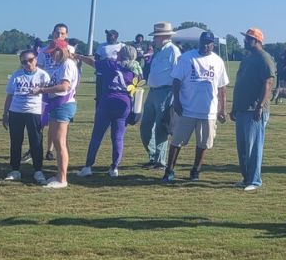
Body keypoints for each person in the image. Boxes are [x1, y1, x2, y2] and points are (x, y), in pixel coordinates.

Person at [163, 30, 227, 183]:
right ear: (199, 42)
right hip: (187, 108)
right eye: (203, 43)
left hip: (208, 111)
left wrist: (222, 108)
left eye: (209, 43)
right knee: (177, 141)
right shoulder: (186, 58)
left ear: (213, 45)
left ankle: (195, 170)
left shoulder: (218, 61)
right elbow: (176, 81)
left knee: (203, 143)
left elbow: (222, 88)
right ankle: (169, 170)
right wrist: (176, 101)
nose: (206, 46)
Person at [77, 44, 139, 178]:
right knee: (118, 138)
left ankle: (88, 166)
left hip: (107, 101)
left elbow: (92, 62)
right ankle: (114, 167)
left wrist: (78, 56)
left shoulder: (109, 64)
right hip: (124, 105)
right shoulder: (135, 71)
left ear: (121, 55)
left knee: (97, 136)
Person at [231, 27, 274, 192]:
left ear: (257, 41)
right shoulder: (247, 58)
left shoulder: (264, 58)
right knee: (242, 147)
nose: (245, 41)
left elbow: (268, 83)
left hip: (254, 109)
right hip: (242, 108)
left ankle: (255, 180)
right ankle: (246, 177)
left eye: (248, 39)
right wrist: (235, 107)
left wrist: (260, 106)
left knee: (254, 146)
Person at [3, 48, 51, 183]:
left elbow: (47, 96)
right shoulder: (16, 75)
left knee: (36, 141)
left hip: (35, 112)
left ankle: (38, 170)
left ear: (35, 60)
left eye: (30, 60)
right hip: (16, 111)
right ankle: (15, 169)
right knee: (16, 141)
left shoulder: (43, 75)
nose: (28, 64)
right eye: (24, 62)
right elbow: (10, 95)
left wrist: (45, 114)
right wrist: (5, 113)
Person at [39, 38, 79, 188]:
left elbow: (64, 87)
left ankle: (62, 179)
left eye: (53, 53)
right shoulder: (62, 64)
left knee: (60, 143)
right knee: (57, 142)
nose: (51, 56)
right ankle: (59, 174)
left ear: (60, 51)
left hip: (63, 105)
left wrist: (43, 90)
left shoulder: (67, 65)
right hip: (58, 105)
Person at [141, 21, 180, 169]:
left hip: (166, 91)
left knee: (161, 128)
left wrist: (175, 96)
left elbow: (178, 74)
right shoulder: (158, 52)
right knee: (145, 127)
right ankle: (153, 156)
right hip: (152, 91)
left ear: (163, 37)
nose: (154, 40)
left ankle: (160, 160)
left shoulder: (173, 51)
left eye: (156, 37)